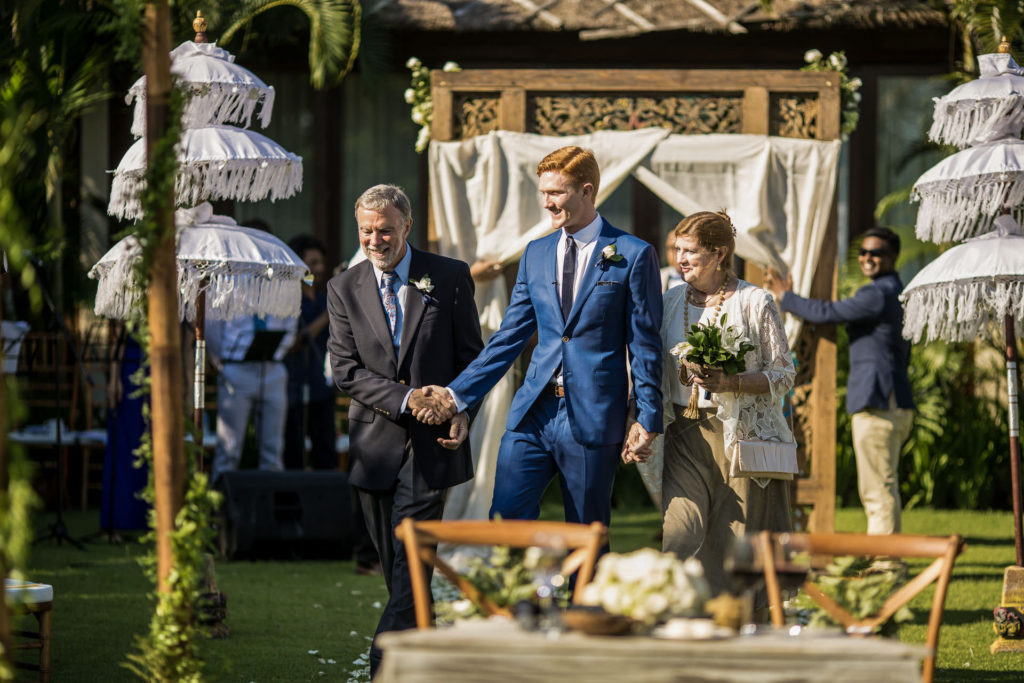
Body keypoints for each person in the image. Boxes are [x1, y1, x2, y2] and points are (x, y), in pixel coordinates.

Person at [419, 145, 663, 529]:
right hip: (532, 413)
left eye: (557, 193)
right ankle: (516, 592)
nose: (547, 203)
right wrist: (456, 395)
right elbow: (508, 338)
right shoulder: (535, 253)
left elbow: (645, 345)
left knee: (586, 534)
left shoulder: (633, 255)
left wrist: (646, 417)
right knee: (506, 521)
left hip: (594, 414)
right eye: (543, 193)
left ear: (586, 191)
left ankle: (584, 593)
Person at [326, 184, 483, 676]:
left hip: (432, 446)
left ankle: (382, 665)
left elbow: (472, 358)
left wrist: (462, 410)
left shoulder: (451, 276)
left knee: (411, 557)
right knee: (400, 568)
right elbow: (346, 371)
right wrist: (406, 398)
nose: (376, 240)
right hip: (374, 446)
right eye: (367, 232)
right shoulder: (342, 287)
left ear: (407, 227)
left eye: (386, 231)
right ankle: (426, 659)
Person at [660, 211, 795, 596]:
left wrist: (731, 381)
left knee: (733, 540)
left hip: (740, 435)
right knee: (679, 532)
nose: (680, 259)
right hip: (685, 433)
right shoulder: (669, 301)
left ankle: (729, 626)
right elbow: (652, 366)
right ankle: (672, 612)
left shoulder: (755, 301)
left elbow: (784, 373)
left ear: (720, 254)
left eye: (691, 251)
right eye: (677, 250)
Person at [765, 226, 914, 536]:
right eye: (863, 252)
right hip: (892, 402)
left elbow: (828, 312)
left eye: (877, 253)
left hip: (878, 403)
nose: (867, 258)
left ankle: (886, 562)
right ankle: (886, 558)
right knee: (882, 485)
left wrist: (786, 297)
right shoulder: (895, 292)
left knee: (877, 489)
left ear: (893, 257)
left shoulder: (878, 293)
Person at [206, 303, 297, 484]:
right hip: (236, 366)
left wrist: (277, 350)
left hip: (272, 367)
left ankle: (269, 507)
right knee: (229, 449)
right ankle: (222, 506)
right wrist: (222, 362)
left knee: (273, 449)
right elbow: (212, 327)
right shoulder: (229, 278)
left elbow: (291, 322)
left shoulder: (281, 276)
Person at [283, 234, 336, 471]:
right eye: (313, 264)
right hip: (294, 386)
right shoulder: (289, 301)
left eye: (321, 263)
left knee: (325, 450)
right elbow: (294, 342)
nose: (320, 269)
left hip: (321, 385)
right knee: (294, 452)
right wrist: (327, 316)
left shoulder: (326, 298)